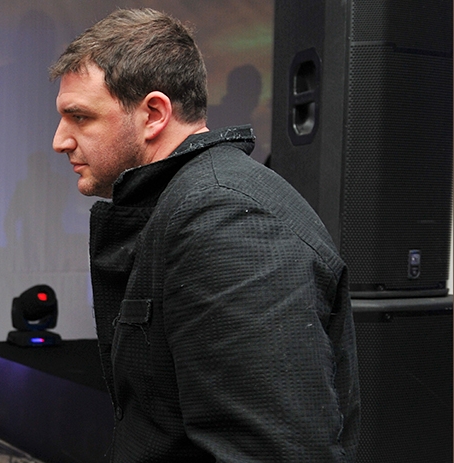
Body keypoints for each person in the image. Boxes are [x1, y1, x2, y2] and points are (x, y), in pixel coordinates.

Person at [50, 8, 360, 462]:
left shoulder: (229, 223)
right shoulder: (191, 205)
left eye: (79, 117)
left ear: (154, 113)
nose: (60, 140)